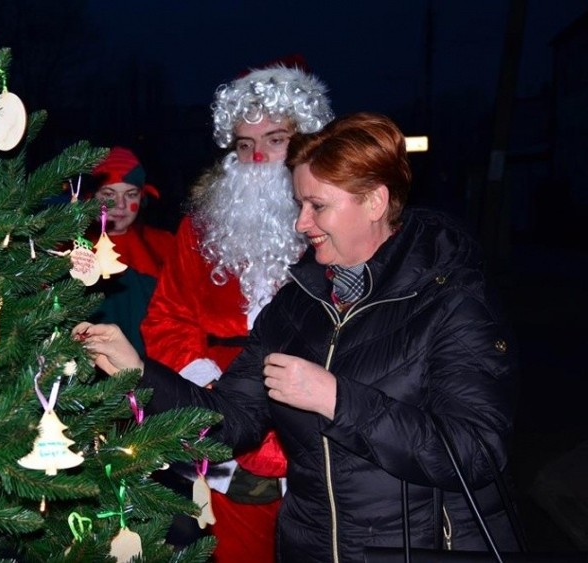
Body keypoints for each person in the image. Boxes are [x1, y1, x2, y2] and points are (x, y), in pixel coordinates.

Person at [76, 112, 520, 562]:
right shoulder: (296, 305)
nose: (300, 223)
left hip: (415, 547)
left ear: (375, 202)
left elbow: (476, 451)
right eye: (299, 204)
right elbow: (232, 421)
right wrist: (139, 371)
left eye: (317, 206)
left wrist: (337, 399)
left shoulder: (451, 301)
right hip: (310, 547)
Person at [139, 62, 333, 561]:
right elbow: (165, 318)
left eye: (275, 140)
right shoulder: (202, 228)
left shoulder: (336, 227)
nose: (258, 157)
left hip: (319, 432)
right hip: (225, 427)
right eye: (244, 145)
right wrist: (205, 382)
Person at [83, 146, 175, 358]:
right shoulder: (70, 249)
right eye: (109, 194)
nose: (121, 205)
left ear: (142, 197)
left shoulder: (164, 246)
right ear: (91, 197)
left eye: (130, 194)